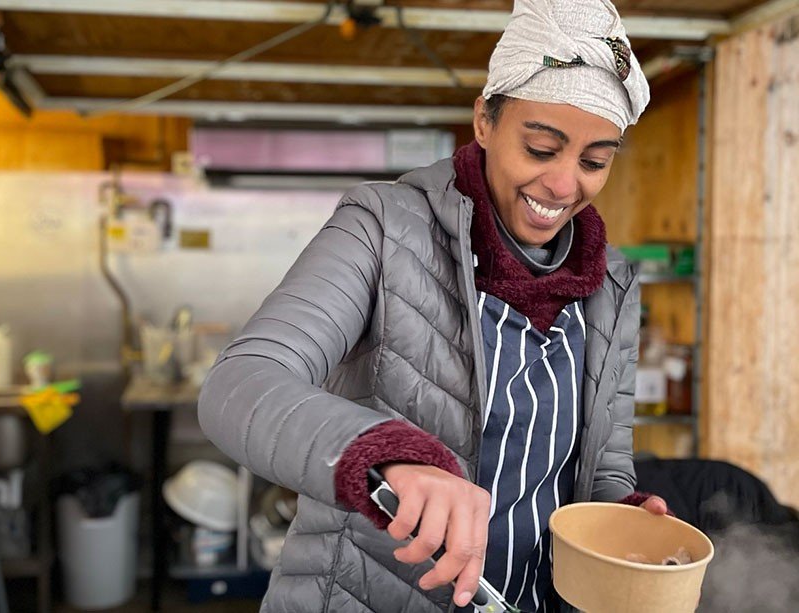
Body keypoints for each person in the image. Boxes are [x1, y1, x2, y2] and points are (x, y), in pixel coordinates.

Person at [199, 0, 669, 611]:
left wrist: (622, 519)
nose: (563, 185)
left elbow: (602, 467)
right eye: (540, 148)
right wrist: (388, 456)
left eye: (593, 161)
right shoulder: (383, 228)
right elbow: (240, 383)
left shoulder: (610, 286)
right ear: (483, 121)